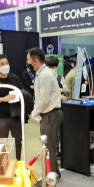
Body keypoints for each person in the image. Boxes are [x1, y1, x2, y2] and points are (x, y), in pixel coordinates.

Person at [27, 47, 62, 175]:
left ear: (35, 61)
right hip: (48, 114)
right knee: (48, 146)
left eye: (28, 60)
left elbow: (44, 100)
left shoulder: (45, 75)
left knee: (49, 147)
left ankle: (51, 176)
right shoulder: (41, 73)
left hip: (50, 114)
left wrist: (34, 112)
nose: (28, 63)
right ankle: (53, 173)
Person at [0, 54, 24, 160]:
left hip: (16, 115)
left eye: (7, 63)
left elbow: (22, 92)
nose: (6, 65)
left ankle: (18, 161)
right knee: (3, 143)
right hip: (2, 117)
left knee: (18, 141)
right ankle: (4, 163)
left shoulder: (14, 78)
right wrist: (3, 99)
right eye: (2, 64)